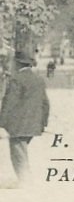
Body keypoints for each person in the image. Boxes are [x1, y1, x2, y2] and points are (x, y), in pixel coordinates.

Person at [0, 51, 50, 184]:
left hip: (18, 124)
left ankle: (26, 181)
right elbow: (45, 103)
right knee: (21, 151)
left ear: (17, 63)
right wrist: (43, 122)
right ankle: (25, 180)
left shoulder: (16, 79)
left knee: (18, 154)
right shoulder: (38, 79)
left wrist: (1, 123)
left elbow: (9, 102)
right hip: (33, 124)